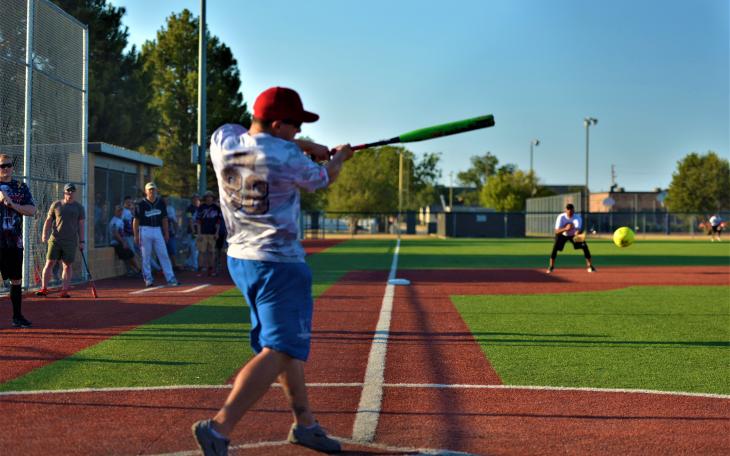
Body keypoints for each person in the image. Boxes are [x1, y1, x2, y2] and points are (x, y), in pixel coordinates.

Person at [191, 86, 354, 455]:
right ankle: (219, 427)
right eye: (294, 125)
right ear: (278, 125)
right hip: (279, 264)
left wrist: (306, 145)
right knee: (280, 348)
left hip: (241, 259)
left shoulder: (223, 141)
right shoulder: (285, 154)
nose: (298, 131)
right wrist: (339, 157)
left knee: (283, 344)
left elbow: (258, 139)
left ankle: (305, 424)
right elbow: (323, 178)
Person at [0, 154, 36, 327]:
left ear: (12, 167)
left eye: (8, 165)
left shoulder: (20, 187)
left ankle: (17, 317)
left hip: (14, 242)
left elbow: (32, 210)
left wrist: (12, 204)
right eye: (2, 166)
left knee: (16, 280)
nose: (5, 168)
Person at [36, 183, 85, 298]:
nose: (70, 193)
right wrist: (44, 234)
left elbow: (81, 225)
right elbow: (48, 220)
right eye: (68, 191)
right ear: (64, 192)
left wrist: (82, 241)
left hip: (70, 241)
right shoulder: (56, 204)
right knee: (49, 263)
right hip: (55, 240)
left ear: (75, 193)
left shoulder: (79, 207)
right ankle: (44, 288)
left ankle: (64, 290)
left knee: (67, 265)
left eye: (72, 191)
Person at [133, 182, 179, 288]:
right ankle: (148, 279)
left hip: (158, 230)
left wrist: (166, 233)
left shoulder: (161, 203)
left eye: (153, 189)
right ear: (146, 191)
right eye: (150, 189)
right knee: (146, 256)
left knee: (163, 254)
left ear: (156, 190)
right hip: (145, 230)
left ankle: (170, 278)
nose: (152, 191)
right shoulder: (140, 204)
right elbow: (136, 220)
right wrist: (136, 235)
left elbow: (164, 219)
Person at [547, 203, 596, 273]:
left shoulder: (577, 217)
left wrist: (577, 233)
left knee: (584, 247)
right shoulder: (561, 217)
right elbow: (556, 231)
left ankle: (590, 266)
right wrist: (565, 229)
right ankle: (551, 266)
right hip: (562, 235)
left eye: (572, 211)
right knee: (554, 248)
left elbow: (578, 229)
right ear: (565, 210)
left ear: (573, 210)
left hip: (573, 235)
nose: (570, 213)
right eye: (569, 211)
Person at [193, 191, 222, 277]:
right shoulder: (201, 207)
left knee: (212, 252)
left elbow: (218, 222)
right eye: (207, 197)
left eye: (211, 197)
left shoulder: (216, 208)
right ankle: (200, 269)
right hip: (203, 233)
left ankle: (211, 269)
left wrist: (217, 233)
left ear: (213, 198)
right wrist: (199, 233)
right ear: (205, 198)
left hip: (212, 233)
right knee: (201, 252)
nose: (209, 198)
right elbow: (198, 221)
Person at [109, 204, 140, 277]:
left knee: (130, 254)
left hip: (121, 242)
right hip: (116, 243)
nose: (120, 212)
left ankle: (133, 270)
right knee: (129, 254)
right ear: (115, 212)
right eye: (118, 211)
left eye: (121, 211)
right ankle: (137, 270)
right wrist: (123, 242)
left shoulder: (120, 220)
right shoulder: (114, 221)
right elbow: (115, 233)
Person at [183, 194, 201, 271]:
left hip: (199, 231)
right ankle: (194, 265)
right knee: (193, 249)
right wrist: (193, 231)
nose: (196, 200)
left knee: (196, 249)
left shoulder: (199, 208)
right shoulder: (189, 208)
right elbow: (190, 220)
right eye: (194, 199)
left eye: (197, 199)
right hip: (191, 231)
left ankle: (189, 263)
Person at [162, 195, 180, 270]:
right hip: (160, 233)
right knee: (162, 251)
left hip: (170, 233)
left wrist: (176, 232)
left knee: (172, 250)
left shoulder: (170, 209)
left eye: (166, 200)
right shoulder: (157, 209)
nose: (165, 201)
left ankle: (174, 265)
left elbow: (175, 222)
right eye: (163, 200)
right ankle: (163, 267)